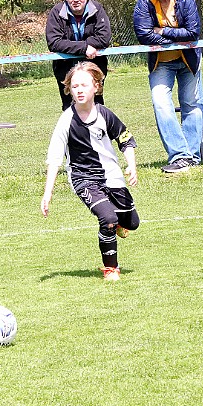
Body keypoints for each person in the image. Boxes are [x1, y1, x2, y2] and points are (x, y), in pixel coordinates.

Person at [41, 62, 140, 282]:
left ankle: (119, 226)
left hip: (112, 175)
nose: (79, 90)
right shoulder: (66, 121)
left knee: (132, 223)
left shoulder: (105, 114)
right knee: (108, 218)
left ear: (96, 86)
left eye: (84, 85)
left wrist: (131, 165)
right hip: (83, 178)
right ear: (69, 89)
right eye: (74, 86)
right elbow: (55, 158)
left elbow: (125, 139)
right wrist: (48, 193)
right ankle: (111, 269)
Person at [133, 0, 203, 173]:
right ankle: (180, 155)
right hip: (160, 63)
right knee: (161, 104)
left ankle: (191, 156)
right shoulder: (143, 0)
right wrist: (173, 36)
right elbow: (143, 34)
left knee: (192, 104)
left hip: (188, 60)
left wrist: (162, 32)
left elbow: (193, 32)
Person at [45, 0, 112, 110]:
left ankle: (98, 131)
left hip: (95, 67)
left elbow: (104, 37)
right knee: (70, 109)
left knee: (97, 107)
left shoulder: (97, 9)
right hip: (65, 69)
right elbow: (54, 42)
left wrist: (73, 45)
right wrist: (84, 48)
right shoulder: (56, 12)